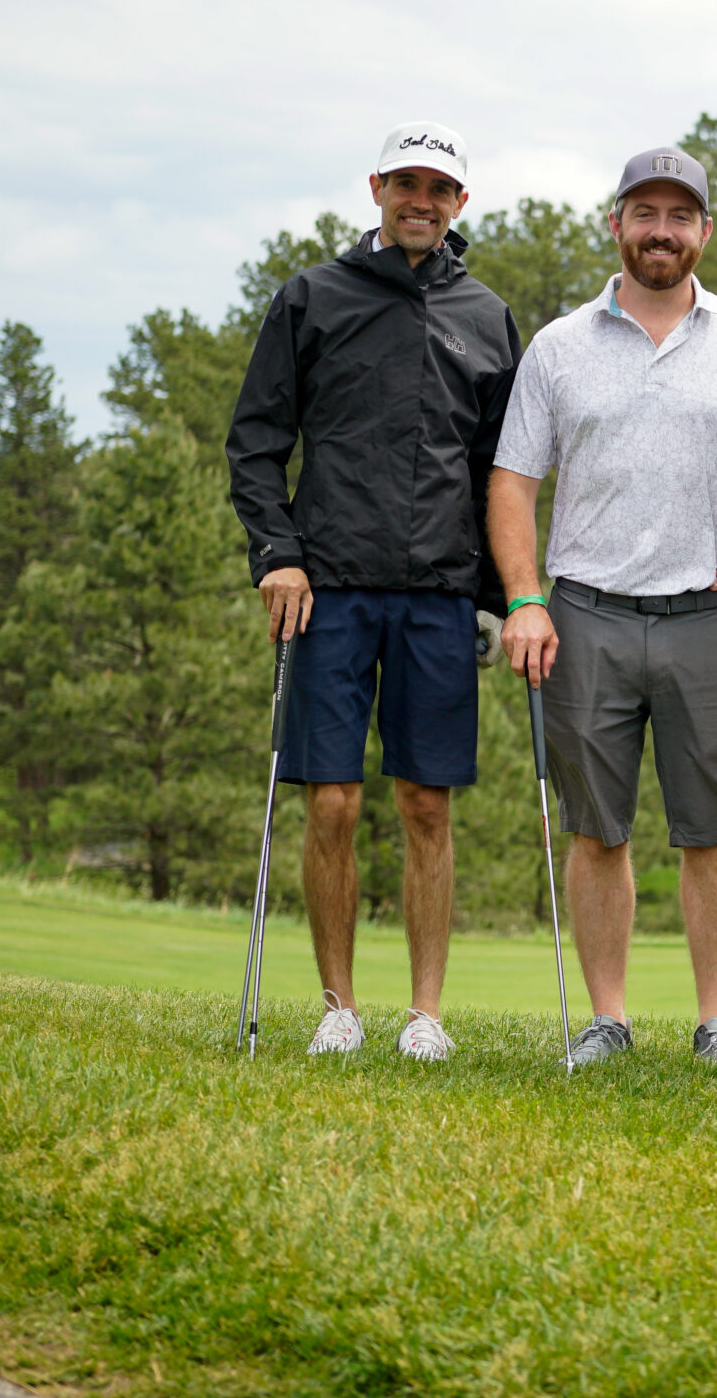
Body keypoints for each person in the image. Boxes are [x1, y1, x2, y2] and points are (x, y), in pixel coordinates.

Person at [489, 145, 717, 1073]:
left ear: (705, 230)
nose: (662, 231)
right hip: (586, 613)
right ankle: (608, 1020)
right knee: (597, 829)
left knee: (715, 833)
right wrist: (525, 598)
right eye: (645, 213)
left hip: (711, 614)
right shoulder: (558, 345)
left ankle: (716, 1024)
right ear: (615, 223)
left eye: (680, 215)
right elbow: (512, 483)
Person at [226, 121, 521, 1063]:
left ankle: (425, 1014)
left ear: (460, 202)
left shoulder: (487, 314)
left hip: (439, 594)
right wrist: (277, 553)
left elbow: (499, 470)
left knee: (427, 804)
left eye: (438, 188)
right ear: (377, 188)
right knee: (333, 804)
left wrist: (498, 595)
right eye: (406, 184)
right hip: (329, 587)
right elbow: (256, 441)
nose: (420, 202)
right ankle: (339, 1006)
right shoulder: (313, 297)